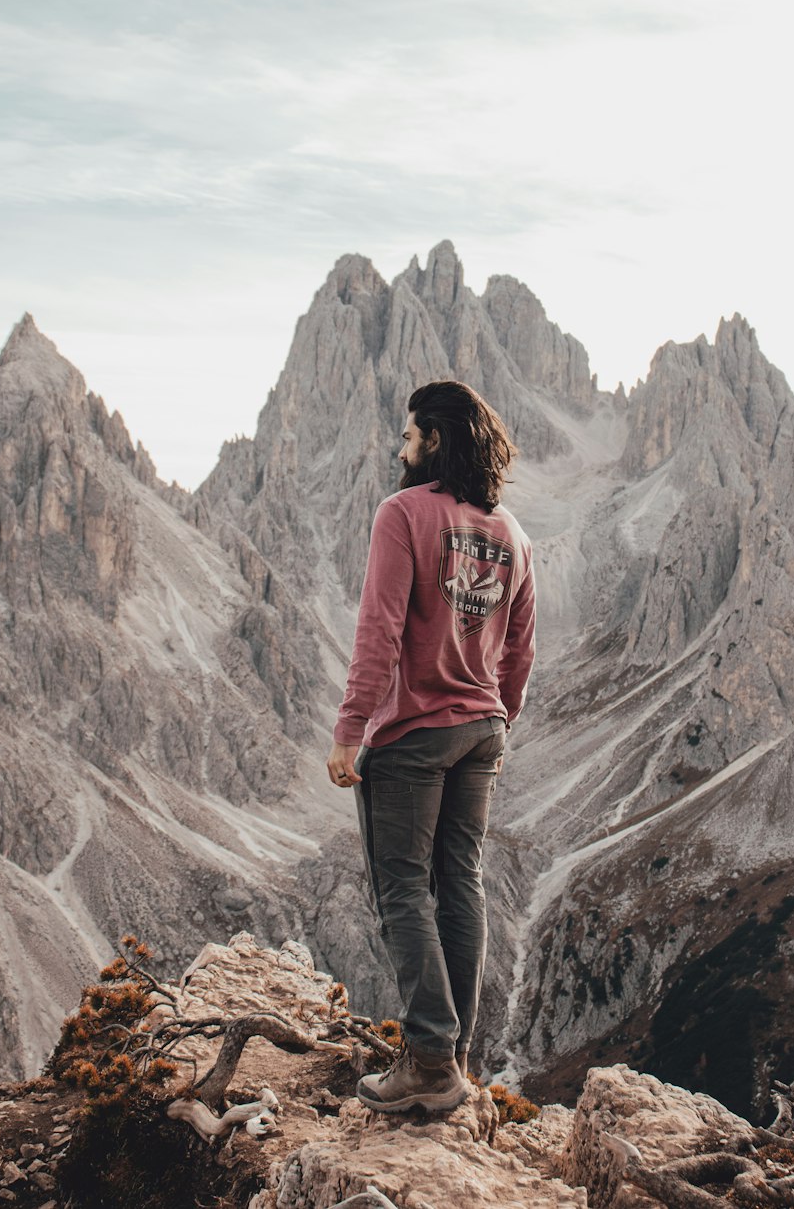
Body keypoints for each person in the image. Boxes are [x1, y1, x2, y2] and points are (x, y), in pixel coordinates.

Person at [326, 380, 536, 1113]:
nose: (400, 447)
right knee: (463, 885)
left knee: (402, 891)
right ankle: (457, 1056)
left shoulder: (402, 513)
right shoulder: (511, 533)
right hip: (482, 732)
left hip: (414, 734)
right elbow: (520, 649)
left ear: (436, 441)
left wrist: (352, 728)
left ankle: (428, 1061)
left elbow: (378, 629)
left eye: (410, 435)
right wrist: (499, 721)